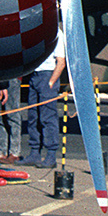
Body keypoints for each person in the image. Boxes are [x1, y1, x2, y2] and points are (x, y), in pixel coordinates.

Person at [24, 33, 67, 170]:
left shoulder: (56, 34)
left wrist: (51, 81)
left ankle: (50, 154)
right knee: (33, 116)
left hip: (47, 75)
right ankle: (34, 151)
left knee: (47, 117)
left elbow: (61, 62)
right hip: (35, 75)